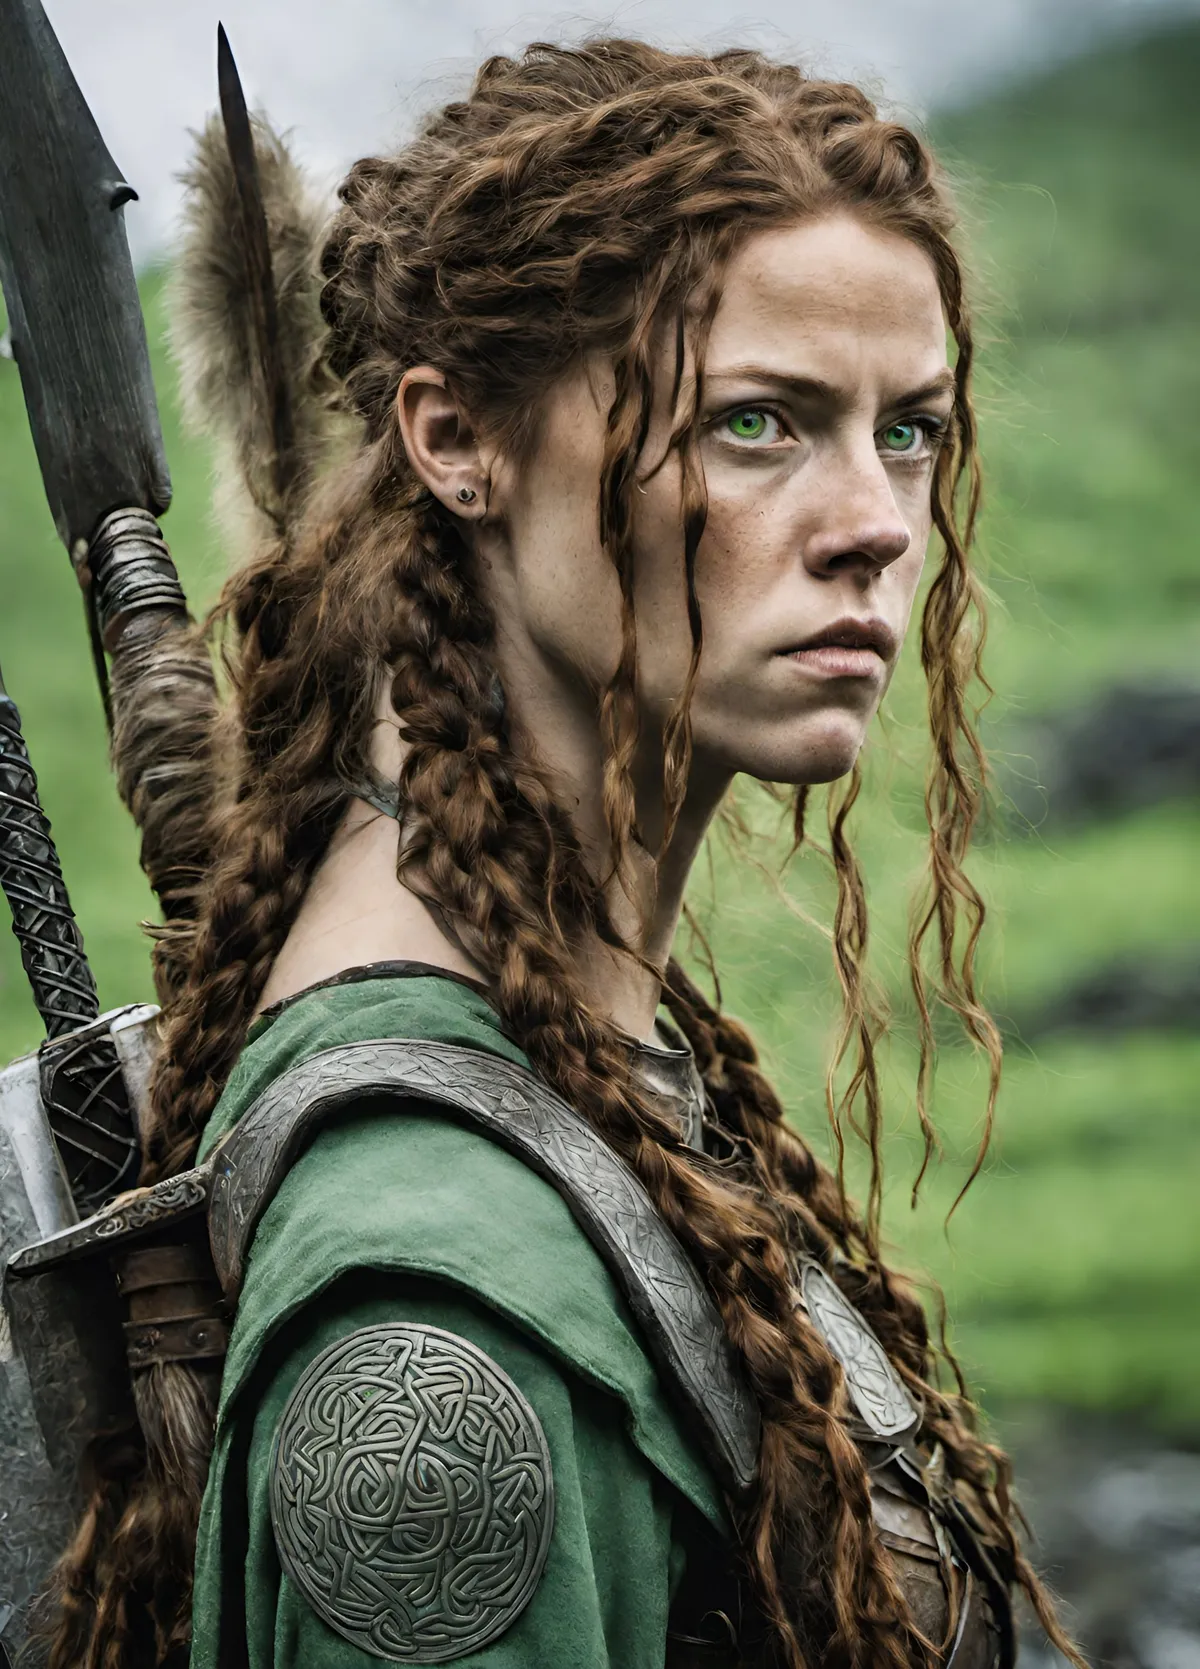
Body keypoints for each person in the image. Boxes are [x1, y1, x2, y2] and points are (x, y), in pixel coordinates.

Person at [42, 38, 1081, 1669]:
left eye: (910, 430)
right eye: (758, 422)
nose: (878, 518)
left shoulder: (578, 1039)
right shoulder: (437, 1299)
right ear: (459, 440)